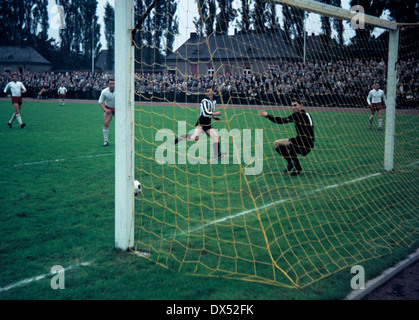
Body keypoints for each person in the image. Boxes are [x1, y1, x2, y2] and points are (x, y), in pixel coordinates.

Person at [258, 96, 315, 176]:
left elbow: (281, 121)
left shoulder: (298, 115)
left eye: (295, 105)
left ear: (301, 105)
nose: (293, 107)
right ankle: (294, 164)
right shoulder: (307, 114)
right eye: (292, 105)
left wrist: (267, 115)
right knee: (285, 146)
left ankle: (294, 164)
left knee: (276, 144)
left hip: (304, 143)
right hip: (307, 142)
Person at [174, 86, 225, 161]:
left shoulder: (214, 101)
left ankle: (217, 154)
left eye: (210, 91)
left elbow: (210, 111)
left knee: (216, 137)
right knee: (195, 138)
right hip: (201, 123)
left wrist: (214, 117)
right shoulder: (204, 101)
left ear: (213, 92)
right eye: (207, 91)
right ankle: (181, 137)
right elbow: (205, 113)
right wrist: (216, 113)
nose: (209, 93)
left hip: (208, 124)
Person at [98, 79, 115, 147]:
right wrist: (105, 109)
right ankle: (105, 141)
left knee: (122, 124)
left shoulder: (120, 91)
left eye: (113, 83)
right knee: (106, 123)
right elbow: (100, 102)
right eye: (110, 84)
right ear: (108, 85)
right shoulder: (104, 91)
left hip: (118, 108)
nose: (112, 85)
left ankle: (123, 140)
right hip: (108, 108)